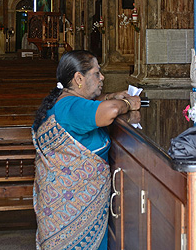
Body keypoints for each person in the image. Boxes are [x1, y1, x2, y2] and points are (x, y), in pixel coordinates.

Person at [32, 50, 140, 250]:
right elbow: (110, 112)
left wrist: (111, 95)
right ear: (79, 78)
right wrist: (126, 103)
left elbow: (88, 106)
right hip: (73, 212)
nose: (102, 77)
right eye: (97, 73)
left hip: (64, 210)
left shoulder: (64, 100)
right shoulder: (71, 107)